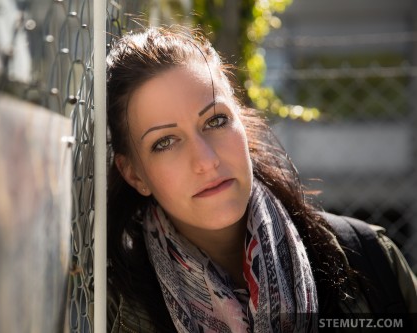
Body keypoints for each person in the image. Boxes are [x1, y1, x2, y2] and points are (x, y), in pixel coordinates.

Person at [105, 26, 417, 332]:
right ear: (134, 174)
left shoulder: (370, 259)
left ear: (242, 123)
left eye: (216, 120)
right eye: (165, 142)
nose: (206, 160)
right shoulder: (111, 309)